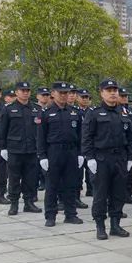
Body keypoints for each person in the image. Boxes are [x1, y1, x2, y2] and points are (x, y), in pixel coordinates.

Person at [82, 79, 132, 239]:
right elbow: (87, 137)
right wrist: (89, 157)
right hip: (101, 158)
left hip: (120, 157)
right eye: (109, 90)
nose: (113, 93)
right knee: (100, 194)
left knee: (118, 193)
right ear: (102, 93)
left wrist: (131, 157)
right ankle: (100, 225)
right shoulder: (94, 113)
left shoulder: (124, 112)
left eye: (115, 90)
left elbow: (131, 137)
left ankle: (115, 225)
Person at [37, 82, 85, 227]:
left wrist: (80, 153)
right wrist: (42, 156)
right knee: (52, 186)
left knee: (71, 185)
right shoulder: (46, 113)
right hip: (54, 151)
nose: (64, 95)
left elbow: (80, 135)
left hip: (71, 151)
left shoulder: (74, 112)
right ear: (53, 94)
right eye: (60, 93)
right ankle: (50, 216)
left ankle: (70, 214)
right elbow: (40, 136)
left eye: (66, 93)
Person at [0, 82, 42, 215]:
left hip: (32, 150)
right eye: (22, 90)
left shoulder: (36, 108)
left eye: (27, 90)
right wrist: (3, 148)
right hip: (15, 150)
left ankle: (28, 202)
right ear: (16, 92)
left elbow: (40, 130)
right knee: (14, 178)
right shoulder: (8, 109)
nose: (25, 92)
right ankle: (14, 203)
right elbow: (2, 130)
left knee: (31, 178)